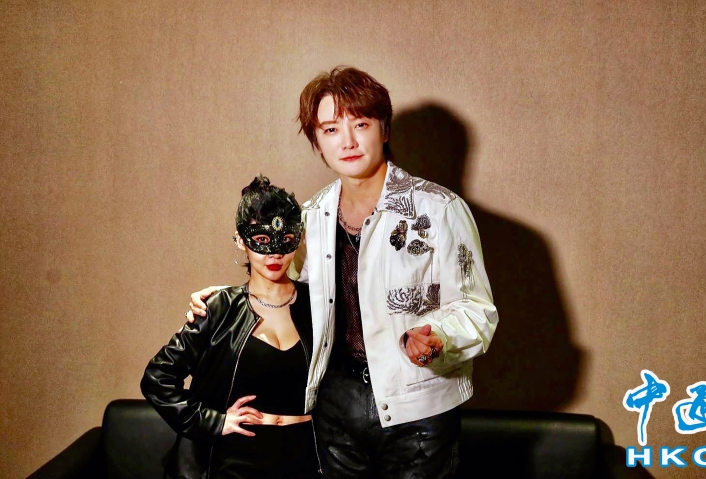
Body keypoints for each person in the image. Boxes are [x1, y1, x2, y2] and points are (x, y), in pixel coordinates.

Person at [188, 67, 498, 478]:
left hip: (419, 408)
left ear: (384, 129)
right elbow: (283, 291)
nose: (347, 141)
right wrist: (227, 302)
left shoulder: (440, 209)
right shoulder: (309, 217)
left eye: (361, 124)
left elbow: (477, 309)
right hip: (334, 408)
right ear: (317, 142)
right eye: (331, 129)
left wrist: (439, 336)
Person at [142, 176, 321, 478]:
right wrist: (214, 422)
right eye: (261, 239)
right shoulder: (219, 308)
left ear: (299, 238)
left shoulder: (320, 307)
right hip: (234, 461)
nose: (275, 253)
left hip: (304, 458)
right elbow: (157, 378)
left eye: (286, 239)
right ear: (240, 240)